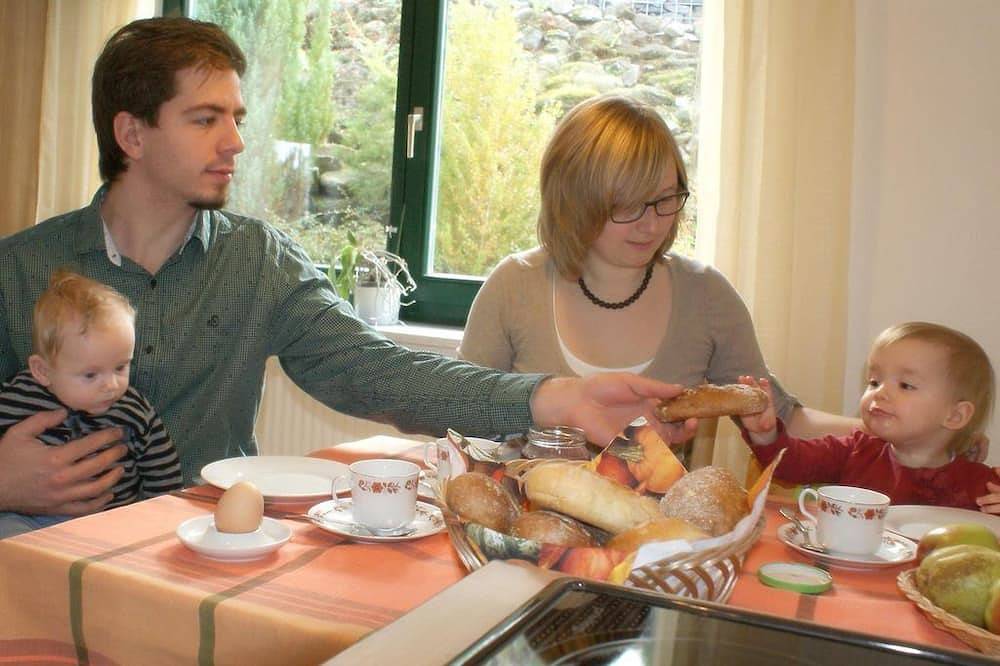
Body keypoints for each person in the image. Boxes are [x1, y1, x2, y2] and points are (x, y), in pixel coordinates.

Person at [0, 17, 689, 537]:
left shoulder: (259, 260)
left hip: (215, 555)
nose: (235, 142)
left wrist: (552, 399)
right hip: (45, 557)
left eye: (236, 118)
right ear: (132, 134)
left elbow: (375, 370)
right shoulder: (18, 268)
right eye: (205, 119)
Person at [459, 94, 859, 441]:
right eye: (628, 206)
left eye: (666, 199)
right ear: (576, 200)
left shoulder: (705, 295)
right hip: (527, 520)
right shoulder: (515, 286)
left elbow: (783, 417)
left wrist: (883, 429)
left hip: (659, 527)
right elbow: (461, 414)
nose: (651, 223)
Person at [738, 322, 998, 510]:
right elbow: (791, 463)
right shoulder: (854, 451)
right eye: (874, 382)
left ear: (955, 415)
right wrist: (765, 434)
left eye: (905, 385)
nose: (880, 393)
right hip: (848, 580)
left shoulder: (981, 485)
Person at [0, 271, 182, 535]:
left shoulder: (133, 408)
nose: (111, 385)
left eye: (121, 367)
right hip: (30, 522)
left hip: (109, 523)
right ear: (43, 371)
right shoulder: (16, 397)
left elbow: (162, 469)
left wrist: (163, 518)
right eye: (90, 375)